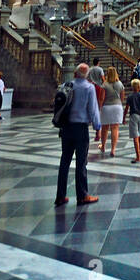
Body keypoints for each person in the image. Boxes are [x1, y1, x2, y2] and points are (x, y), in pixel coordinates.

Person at [55, 63, 100, 206]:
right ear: (87, 75)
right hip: (81, 128)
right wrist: (97, 126)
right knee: (81, 163)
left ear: (75, 73)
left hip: (66, 127)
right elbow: (93, 110)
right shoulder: (89, 87)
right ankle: (82, 195)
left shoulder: (67, 85)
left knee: (64, 162)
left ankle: (60, 196)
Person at [98, 66, 125, 156]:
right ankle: (113, 149)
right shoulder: (120, 84)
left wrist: (99, 108)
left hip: (107, 107)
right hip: (117, 106)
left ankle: (103, 146)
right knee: (115, 128)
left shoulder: (104, 85)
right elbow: (122, 97)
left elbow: (102, 98)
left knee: (105, 128)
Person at [125, 78, 140, 164]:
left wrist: (124, 118)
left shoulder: (130, 96)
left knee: (135, 136)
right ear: (139, 87)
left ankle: (138, 156)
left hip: (133, 115)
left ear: (132, 87)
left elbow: (126, 108)